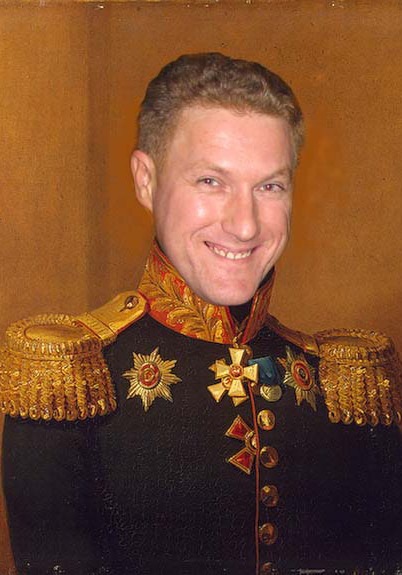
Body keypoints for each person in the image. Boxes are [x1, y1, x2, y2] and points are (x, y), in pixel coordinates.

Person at [1, 53, 402, 575]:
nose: (245, 225)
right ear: (146, 180)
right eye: (211, 181)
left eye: (270, 186)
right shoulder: (67, 379)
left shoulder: (348, 383)